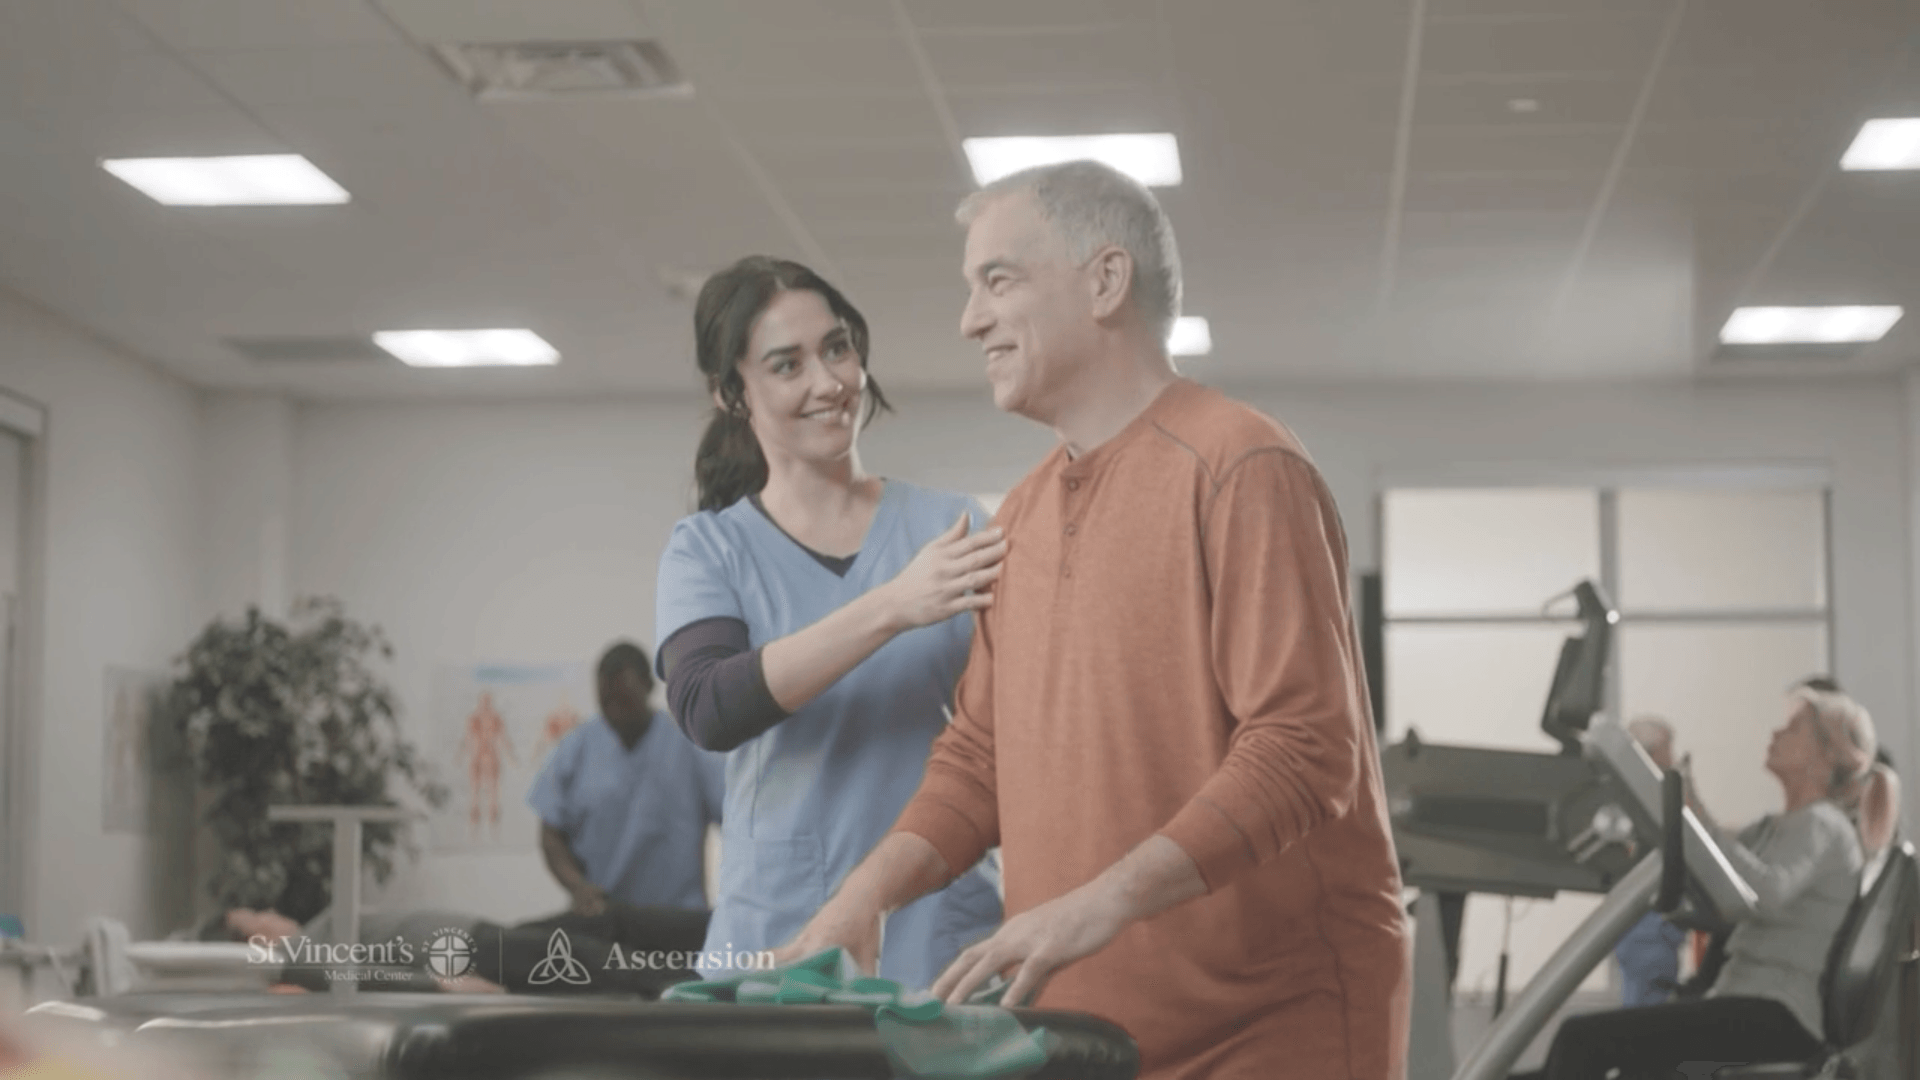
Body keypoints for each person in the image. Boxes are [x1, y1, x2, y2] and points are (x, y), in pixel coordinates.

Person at [774, 161, 1410, 1080]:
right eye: (971, 289)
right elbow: (979, 758)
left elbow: (1305, 748)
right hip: (1086, 1032)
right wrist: (863, 899)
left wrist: (1102, 901)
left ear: (1106, 282)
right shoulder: (1020, 518)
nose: (970, 319)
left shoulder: (1240, 465)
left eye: (999, 280)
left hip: (1272, 1025)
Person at [653, 256, 1007, 991]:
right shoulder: (710, 549)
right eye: (787, 365)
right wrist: (891, 606)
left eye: (837, 348)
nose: (829, 382)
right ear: (733, 394)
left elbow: (1021, 726)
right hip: (779, 931)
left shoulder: (954, 524)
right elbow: (709, 707)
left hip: (940, 929)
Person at [1523, 685, 1891, 1080]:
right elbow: (1712, 863)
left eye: (1792, 730)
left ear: (1825, 755)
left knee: (1580, 1038)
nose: (1775, 735)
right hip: (1741, 1000)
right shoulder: (1772, 828)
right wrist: (1677, 791)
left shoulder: (1824, 826)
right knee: (1618, 1063)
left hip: (1778, 1013)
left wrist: (1685, 802)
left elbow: (1761, 892)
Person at [528, 641, 723, 915]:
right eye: (606, 700)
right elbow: (551, 834)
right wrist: (577, 886)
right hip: (601, 916)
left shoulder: (688, 745)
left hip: (677, 919)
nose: (614, 709)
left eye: (624, 699)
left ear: (647, 686)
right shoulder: (577, 748)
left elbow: (737, 821)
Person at [222, 900, 708, 996]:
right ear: (254, 940)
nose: (269, 913)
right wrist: (436, 984)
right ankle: (710, 985)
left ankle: (727, 936)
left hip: (482, 929)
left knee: (609, 921)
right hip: (467, 952)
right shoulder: (298, 955)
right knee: (585, 958)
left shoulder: (315, 927)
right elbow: (353, 976)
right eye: (255, 918)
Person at [1614, 716, 1687, 1007]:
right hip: (1648, 926)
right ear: (1651, 753)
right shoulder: (1646, 800)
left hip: (1652, 926)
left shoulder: (1647, 796)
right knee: (1644, 1002)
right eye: (1669, 748)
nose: (1673, 757)